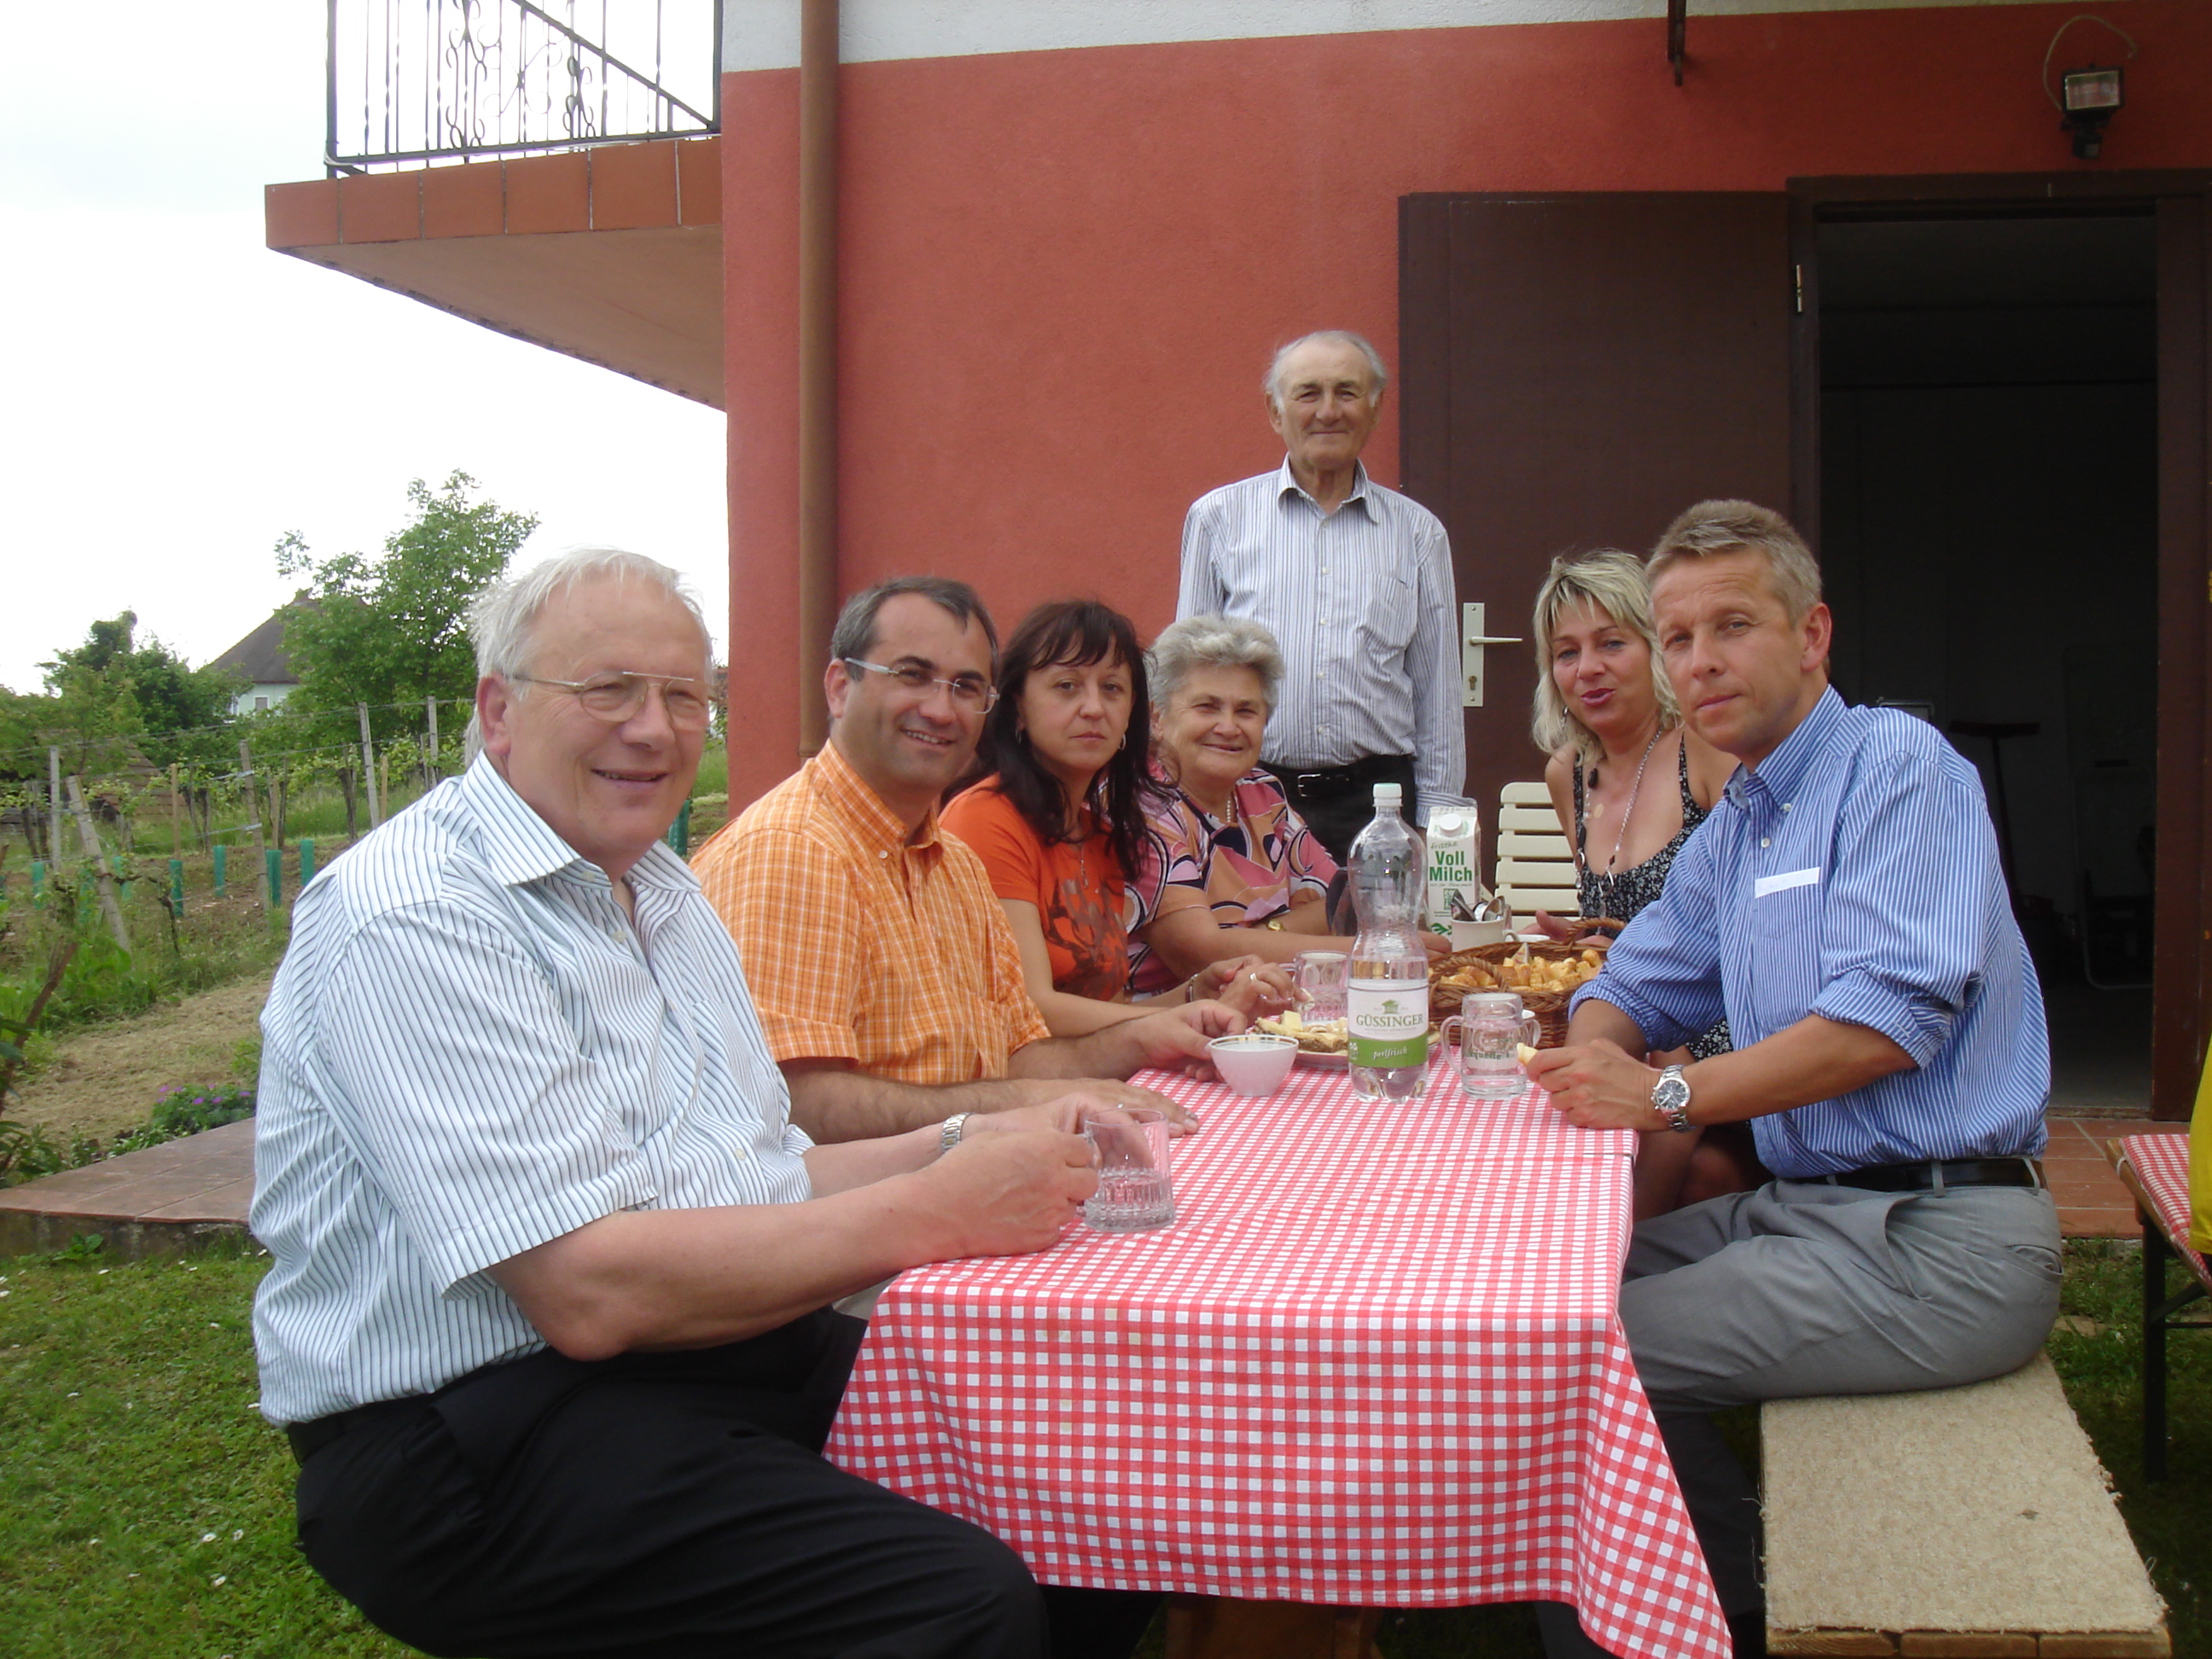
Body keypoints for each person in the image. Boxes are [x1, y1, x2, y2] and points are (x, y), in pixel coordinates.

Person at [251, 548, 1155, 1659]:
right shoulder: (415, 915)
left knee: (1099, 1490)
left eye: (685, 696)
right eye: (608, 690)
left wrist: (976, 1136)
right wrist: (945, 1207)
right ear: (497, 712)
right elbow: (586, 1291)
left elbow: (758, 1166)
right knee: (956, 1604)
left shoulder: (661, 893)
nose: (654, 727)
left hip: (692, 1356)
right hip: (468, 1434)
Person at [1524, 502, 2058, 1659]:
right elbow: (1636, 976)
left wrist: (1663, 1097)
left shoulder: (1898, 769)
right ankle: (1716, 1601)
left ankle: (1694, 1622)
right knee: (1547, 1300)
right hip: (1814, 1213)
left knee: (1583, 1358)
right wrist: (1606, 1042)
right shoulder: (1747, 818)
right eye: (1677, 637)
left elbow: (1883, 1026)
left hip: (1938, 1233)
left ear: (1811, 634)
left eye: (1733, 626)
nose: (1700, 662)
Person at [691, 576, 1244, 1145]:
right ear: (839, 686)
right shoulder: (793, 852)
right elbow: (790, 1107)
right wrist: (1021, 1104)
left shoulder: (951, 861)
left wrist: (1141, 1040)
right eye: (912, 675)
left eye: (965, 687)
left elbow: (1018, 1055)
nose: (940, 709)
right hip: (866, 1217)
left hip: (971, 1185)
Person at [1177, 329, 1470, 859]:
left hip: (1379, 805)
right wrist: (1185, 804)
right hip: (1248, 797)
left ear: (1375, 409)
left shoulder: (1419, 534)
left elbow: (1439, 694)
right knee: (1253, 942)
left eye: (1347, 392)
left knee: (1381, 943)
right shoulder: (1218, 520)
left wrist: (1440, 829)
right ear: (1275, 411)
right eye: (1308, 393)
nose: (1328, 411)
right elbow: (1186, 679)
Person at [940, 598, 1293, 1036]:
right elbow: (1034, 1011)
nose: (1093, 708)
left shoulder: (1101, 831)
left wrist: (1200, 993)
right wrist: (1198, 1017)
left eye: (1112, 688)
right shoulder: (986, 818)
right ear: (1017, 707)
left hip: (1099, 1073)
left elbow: (1110, 1009)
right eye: (1067, 686)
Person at [1529, 549, 1753, 1217]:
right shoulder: (1566, 772)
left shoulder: (1703, 752)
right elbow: (1615, 922)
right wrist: (1587, 937)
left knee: (1695, 1172)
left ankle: (1619, 1275)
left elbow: (1753, 926)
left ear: (1656, 649)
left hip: (1725, 1036)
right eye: (1566, 653)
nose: (1588, 669)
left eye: (1612, 643)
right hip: (1629, 1023)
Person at [1128, 614, 1450, 993]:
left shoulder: (1261, 792)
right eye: (1207, 707)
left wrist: (1266, 932)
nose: (1229, 727)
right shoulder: (1140, 807)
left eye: (1246, 711)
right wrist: (1375, 955)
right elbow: (1200, 952)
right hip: (1171, 1026)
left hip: (1271, 1009)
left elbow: (1341, 903)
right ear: (1158, 717)